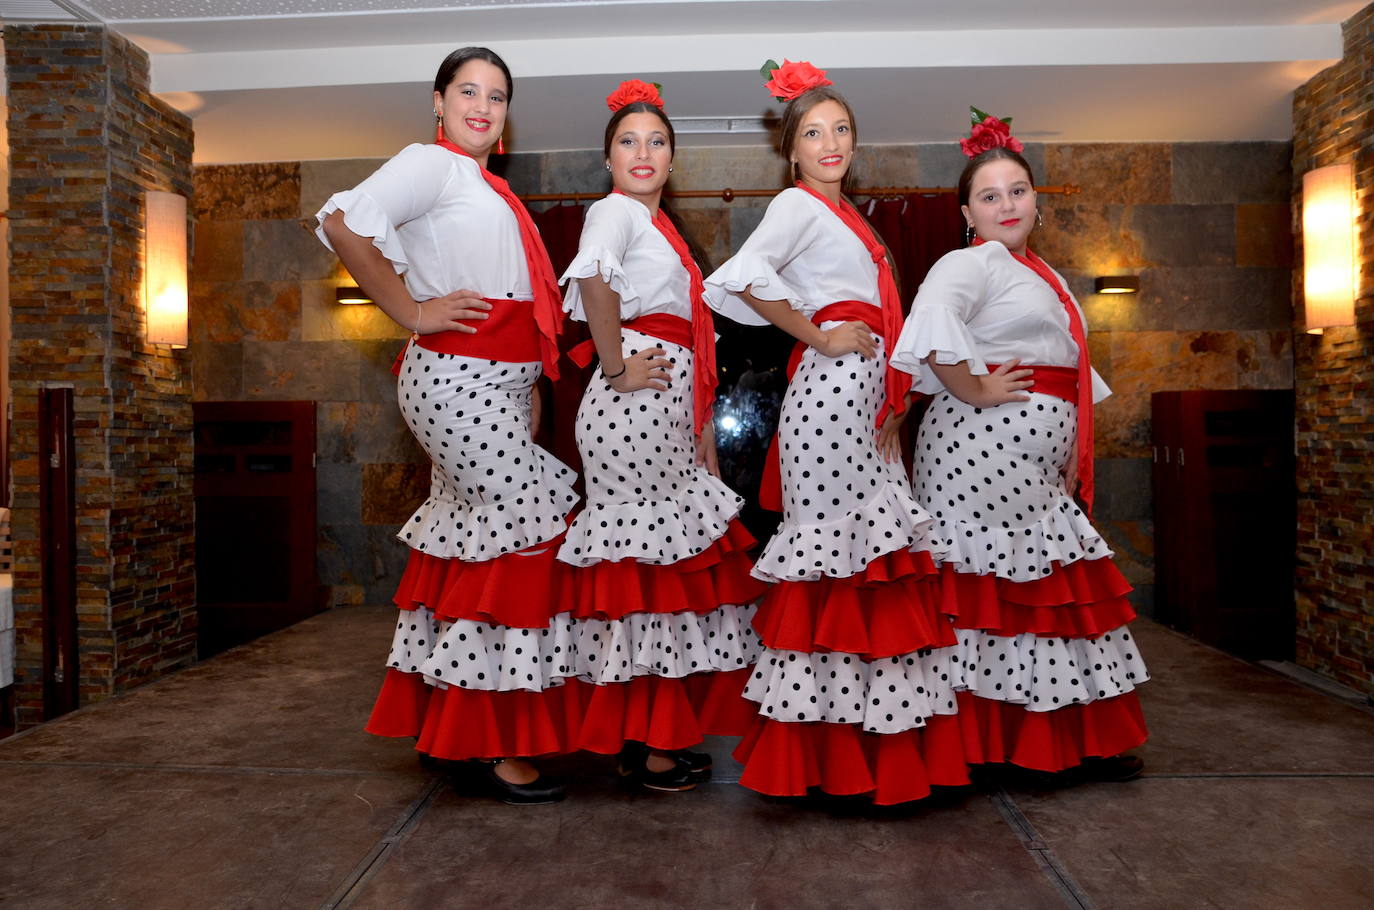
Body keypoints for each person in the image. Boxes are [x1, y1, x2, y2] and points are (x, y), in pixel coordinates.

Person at [316, 47, 580, 805]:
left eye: (496, 95)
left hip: (493, 385)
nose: (482, 106)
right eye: (468, 90)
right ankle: (488, 741)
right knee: (524, 543)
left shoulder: (482, 185)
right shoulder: (428, 163)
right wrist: (412, 310)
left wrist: (526, 385)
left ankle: (446, 728)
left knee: (474, 548)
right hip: (458, 378)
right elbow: (340, 220)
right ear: (438, 100)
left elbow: (512, 297)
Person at [703, 61, 970, 805]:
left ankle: (864, 747)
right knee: (837, 565)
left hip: (862, 400)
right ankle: (828, 759)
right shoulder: (796, 207)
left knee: (870, 566)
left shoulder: (850, 217)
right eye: (814, 132)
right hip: (827, 399)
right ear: (791, 149)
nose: (830, 144)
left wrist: (893, 401)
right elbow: (738, 279)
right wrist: (816, 336)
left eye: (841, 129)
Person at [889, 109, 1149, 782]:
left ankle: (1044, 743)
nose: (1007, 204)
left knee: (1036, 596)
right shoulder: (971, 261)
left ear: (1037, 199)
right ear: (967, 212)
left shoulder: (1043, 273)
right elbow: (928, 328)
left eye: (1018, 190)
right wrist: (972, 388)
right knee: (996, 595)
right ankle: (988, 747)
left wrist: (1066, 453)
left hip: (1028, 464)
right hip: (979, 456)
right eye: (989, 195)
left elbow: (1068, 372)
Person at [557, 80, 767, 791]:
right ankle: (650, 747)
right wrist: (615, 366)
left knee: (652, 578)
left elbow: (693, 343)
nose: (643, 153)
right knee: (647, 579)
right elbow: (592, 282)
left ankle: (642, 736)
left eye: (657, 141)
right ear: (607, 158)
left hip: (661, 413)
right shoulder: (613, 212)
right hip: (631, 409)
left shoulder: (661, 229)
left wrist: (699, 425)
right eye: (628, 141)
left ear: (672, 157)